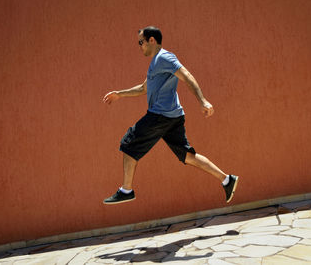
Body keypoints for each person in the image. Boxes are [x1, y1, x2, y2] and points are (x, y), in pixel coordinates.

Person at [102, 26, 238, 205]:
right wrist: (119, 94)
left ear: (152, 40)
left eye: (141, 42)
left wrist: (202, 100)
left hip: (160, 116)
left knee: (128, 144)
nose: (140, 46)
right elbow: (144, 89)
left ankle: (126, 190)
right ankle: (227, 180)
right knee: (188, 156)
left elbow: (187, 75)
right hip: (173, 117)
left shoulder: (165, 57)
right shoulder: (156, 63)